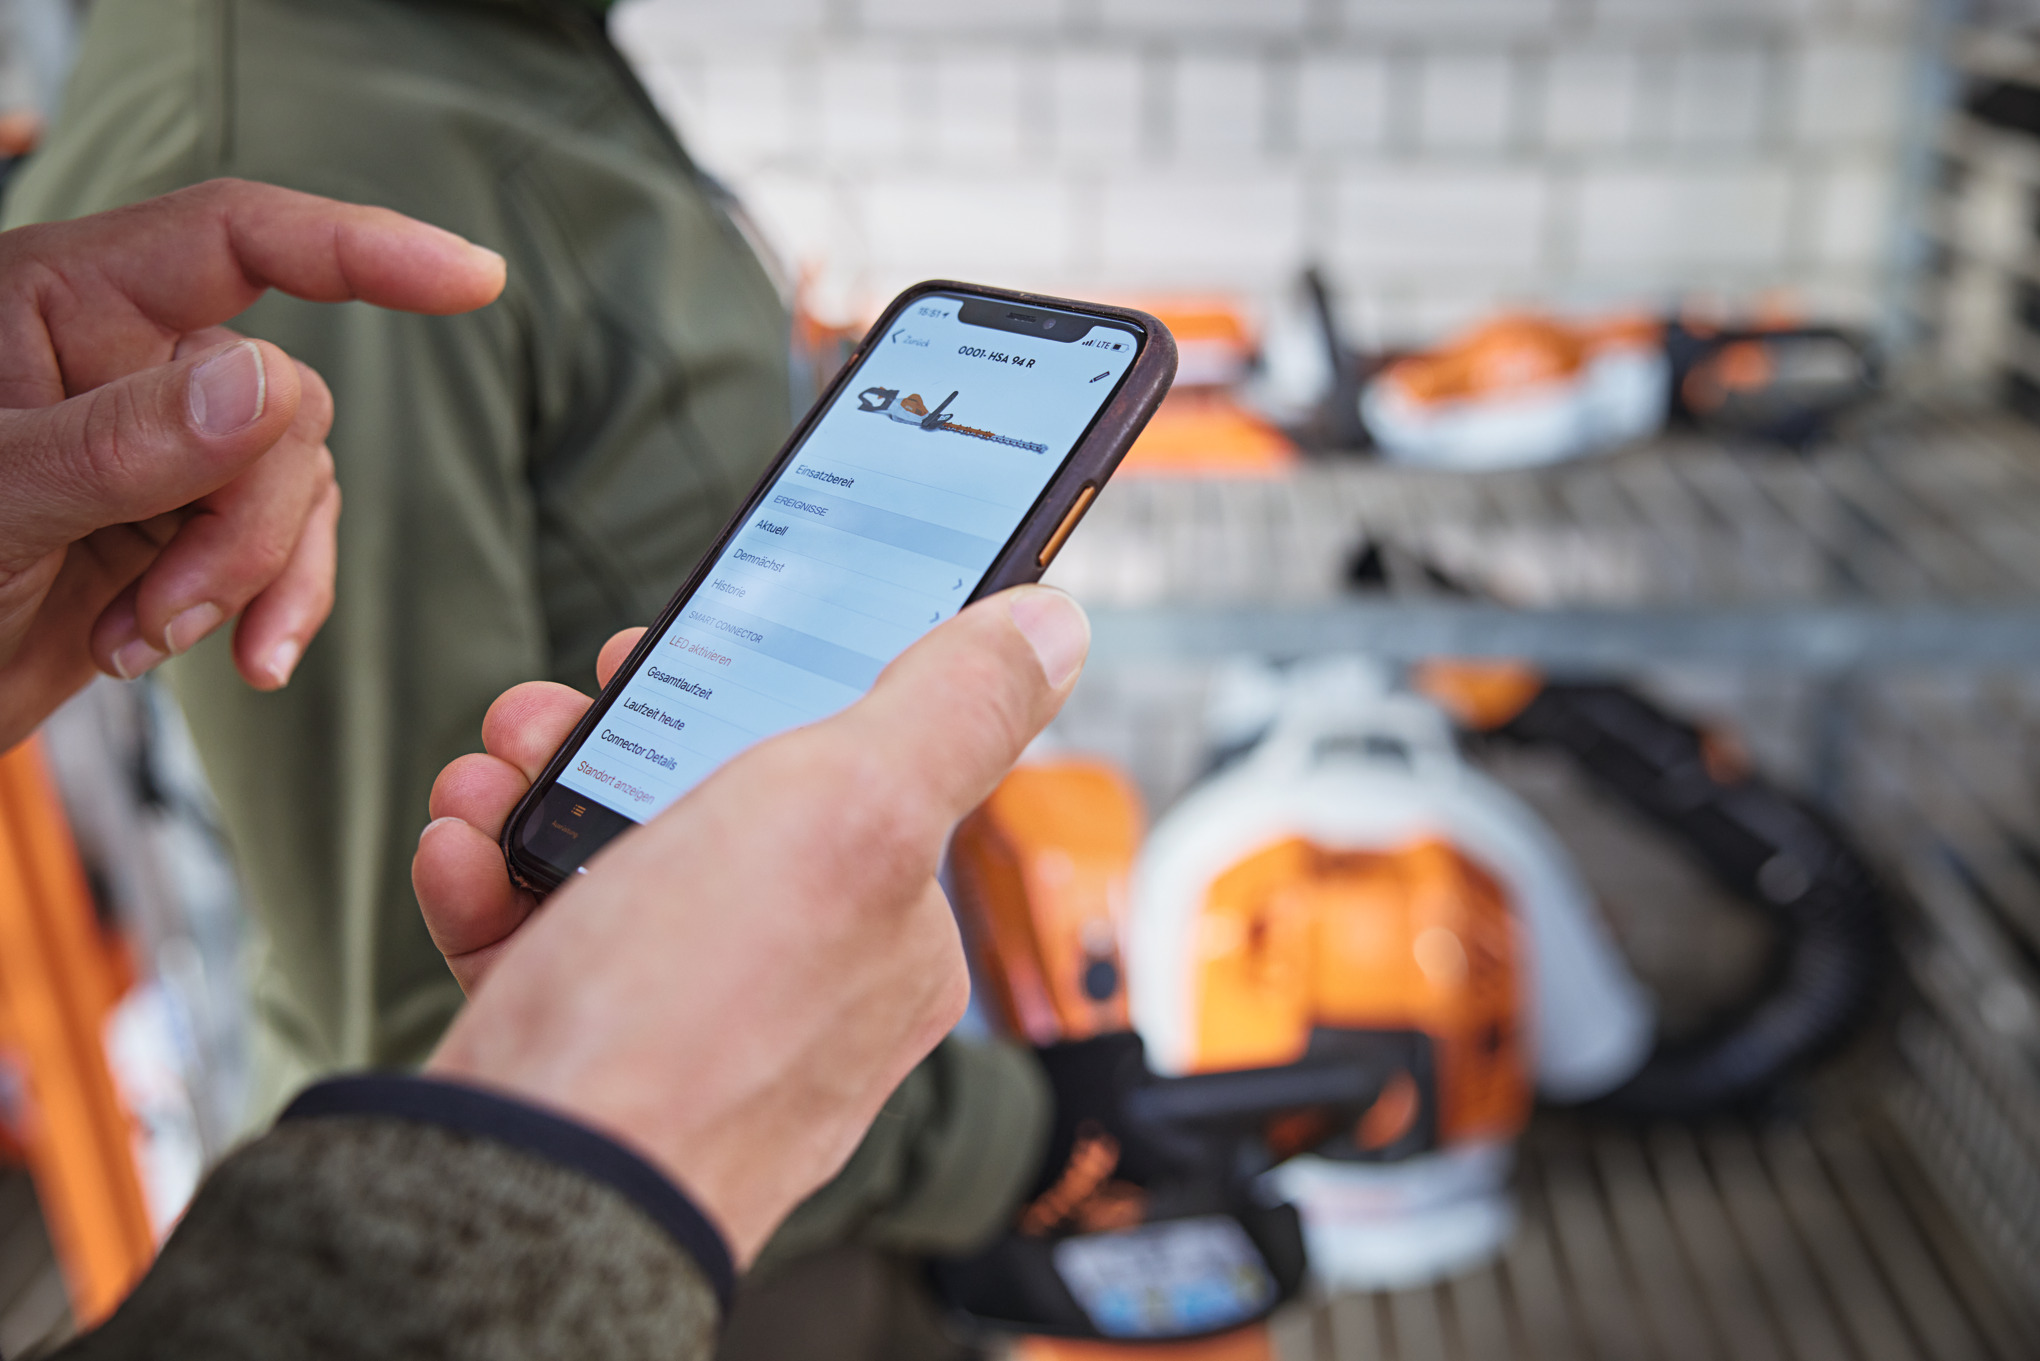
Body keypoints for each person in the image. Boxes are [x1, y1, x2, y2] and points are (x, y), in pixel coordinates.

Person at [7, 2, 1058, 1351]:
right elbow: (428, 1000)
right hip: (657, 1264)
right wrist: (999, 1147)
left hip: (747, 1200)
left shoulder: (501, 41)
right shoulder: (307, 136)